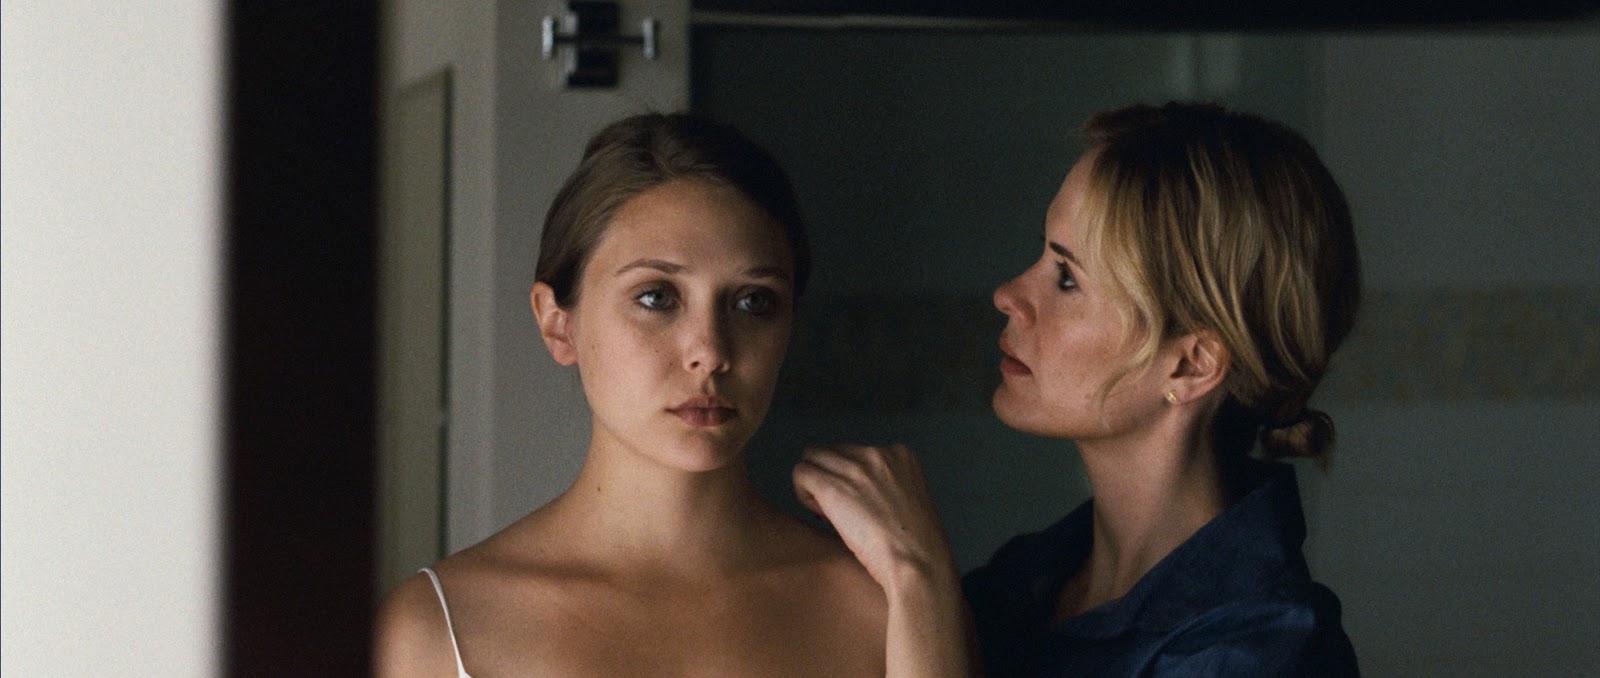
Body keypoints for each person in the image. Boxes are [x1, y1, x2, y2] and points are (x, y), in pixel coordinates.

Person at [794, 101, 1360, 676]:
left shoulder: (1265, 652)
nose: (1008, 295)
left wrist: (917, 575)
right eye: (1042, 253)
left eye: (1066, 278)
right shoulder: (1028, 581)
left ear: (1189, 366)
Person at [374, 113, 886, 677]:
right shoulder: (435, 631)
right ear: (558, 325)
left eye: (753, 302)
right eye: (656, 297)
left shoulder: (879, 605)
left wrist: (920, 574)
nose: (710, 352)